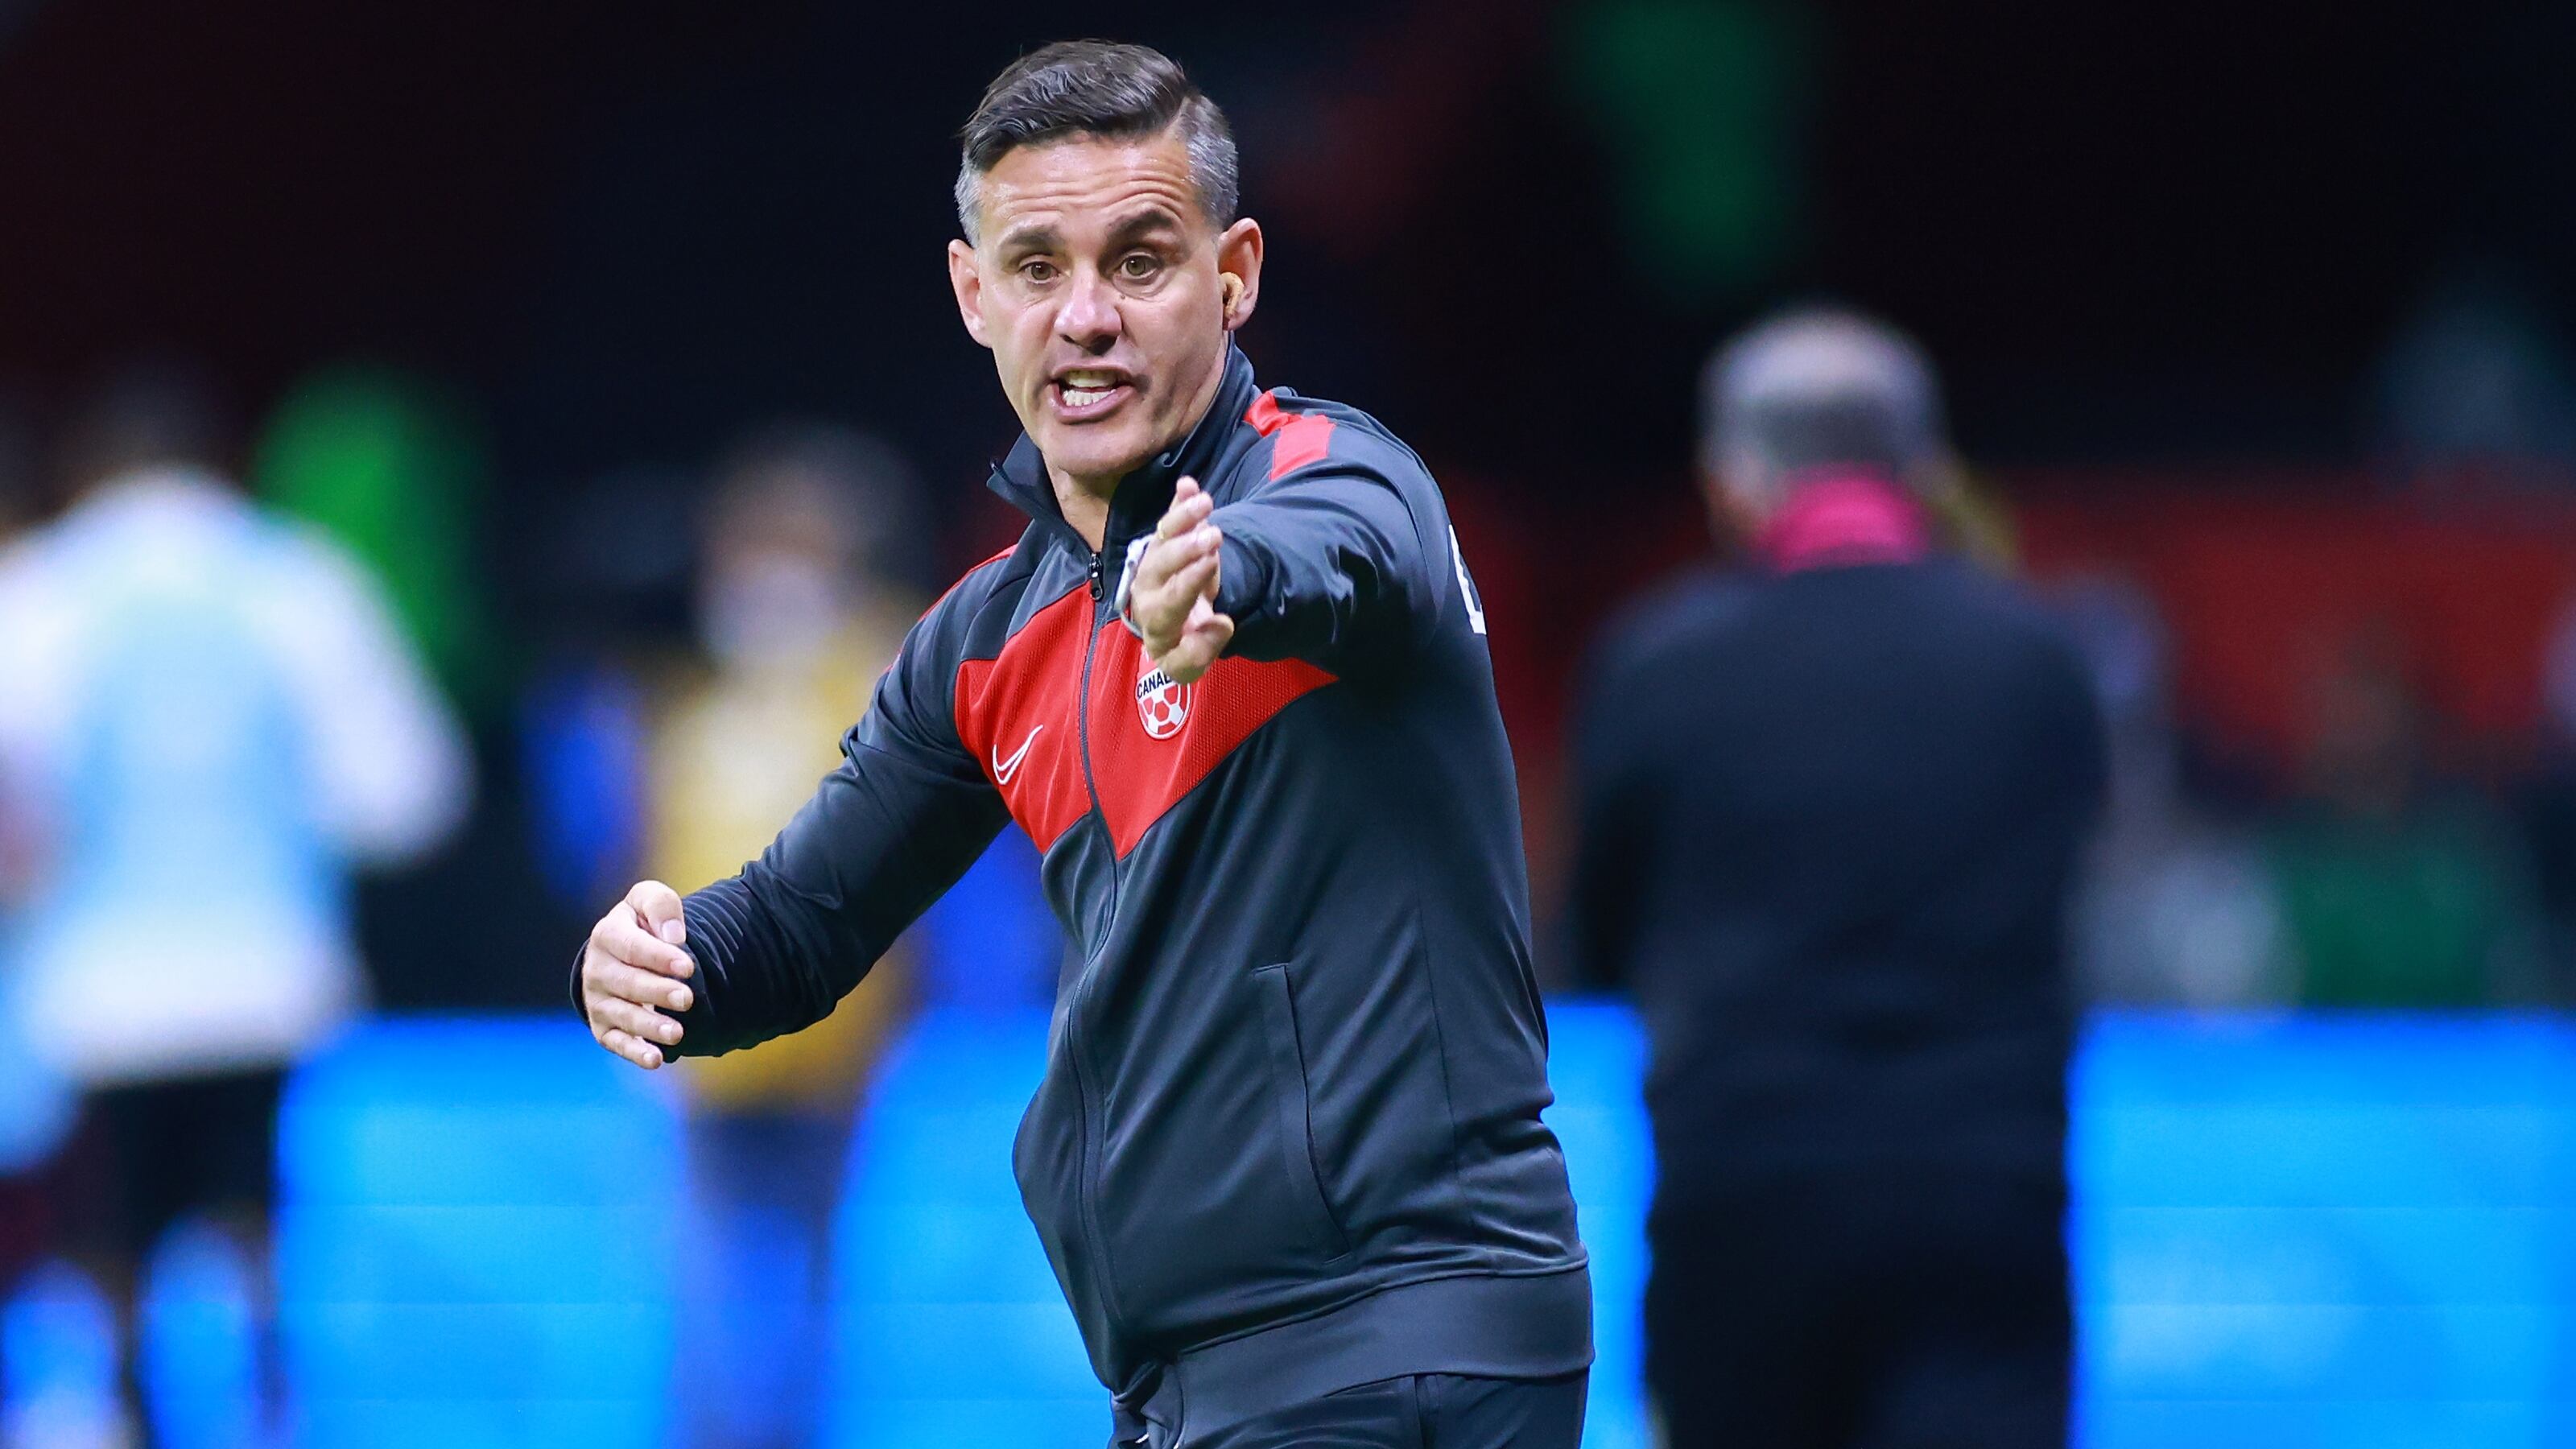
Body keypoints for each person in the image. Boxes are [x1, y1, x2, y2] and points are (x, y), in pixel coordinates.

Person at [572, 40, 1589, 1449]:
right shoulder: (984, 639)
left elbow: (1337, 549)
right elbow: (801, 922)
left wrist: (1229, 575)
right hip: (1190, 1377)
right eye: (1038, 268)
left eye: (1141, 261)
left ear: (1234, 276)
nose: (1087, 317)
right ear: (973, 294)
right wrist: (666, 961)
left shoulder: (1341, 477)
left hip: (1393, 1337)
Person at [1567, 308, 2105, 1449]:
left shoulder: (1662, 665)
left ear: (1729, 480)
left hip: (1742, 1199)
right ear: (1927, 472)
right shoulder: (2036, 662)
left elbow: (1601, 942)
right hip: (1984, 1196)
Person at [0, 364, 472, 1438]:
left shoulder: (41, 593)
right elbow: (406, 797)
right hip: (266, 977)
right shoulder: (299, 582)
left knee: (111, 1230)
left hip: (93, 997)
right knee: (254, 1215)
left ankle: (130, 1404)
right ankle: (270, 1402)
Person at [646, 424, 930, 1449]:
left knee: (809, 1276)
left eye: (791, 551)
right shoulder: (695, 702)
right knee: (707, 1286)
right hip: (700, 1046)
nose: (763, 582)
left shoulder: (883, 683)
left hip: (830, 1045)